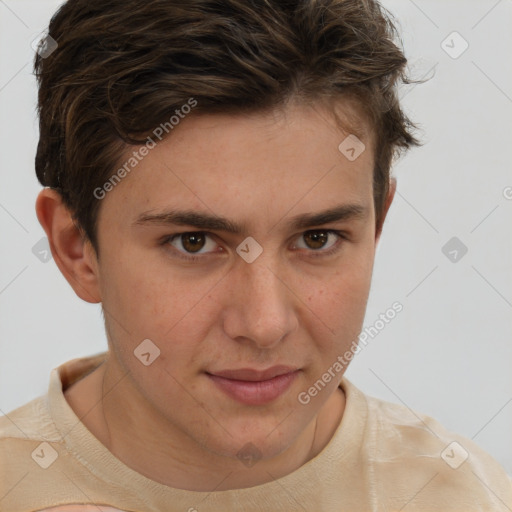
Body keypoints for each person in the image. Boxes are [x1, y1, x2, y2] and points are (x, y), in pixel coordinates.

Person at [1, 0, 510, 510]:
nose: (264, 325)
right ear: (76, 250)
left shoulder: (466, 495)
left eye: (317, 238)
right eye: (193, 242)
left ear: (377, 224)